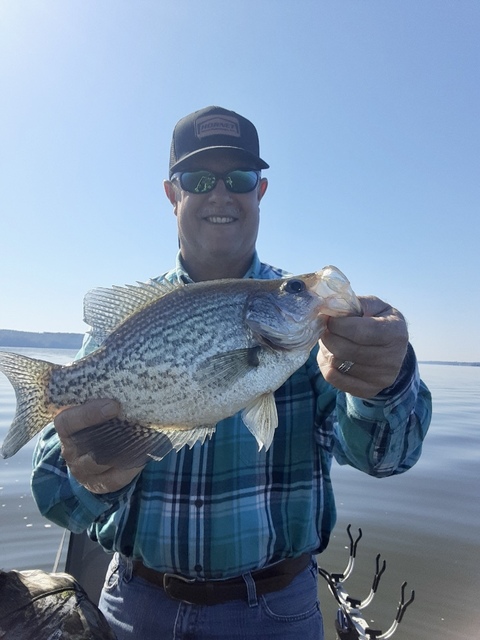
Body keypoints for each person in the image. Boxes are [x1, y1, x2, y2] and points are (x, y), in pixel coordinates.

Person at [31, 106, 432, 640]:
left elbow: (387, 458)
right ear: (172, 195)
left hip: (274, 613)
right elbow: (55, 498)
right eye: (198, 179)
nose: (220, 194)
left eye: (238, 178)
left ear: (260, 191)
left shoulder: (315, 335)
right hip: (135, 605)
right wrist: (92, 475)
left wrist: (386, 384)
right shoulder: (130, 323)